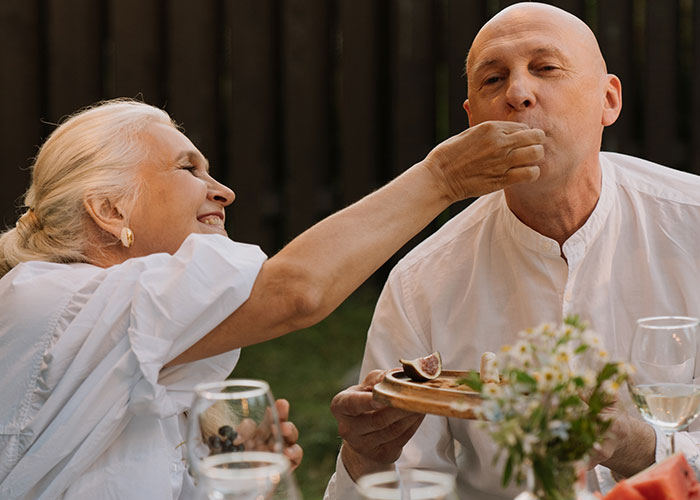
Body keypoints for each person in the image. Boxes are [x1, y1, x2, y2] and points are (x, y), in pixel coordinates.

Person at [0, 97, 545, 500]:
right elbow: (295, 293)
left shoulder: (156, 343)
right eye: (189, 169)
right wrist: (442, 177)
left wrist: (243, 481)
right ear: (110, 210)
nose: (223, 191)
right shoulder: (47, 301)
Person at [323, 3, 700, 499]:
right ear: (472, 121)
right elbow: (409, 486)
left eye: (546, 68)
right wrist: (368, 459)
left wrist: (639, 444)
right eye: (493, 80)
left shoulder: (691, 223)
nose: (518, 94)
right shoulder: (422, 281)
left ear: (608, 99)